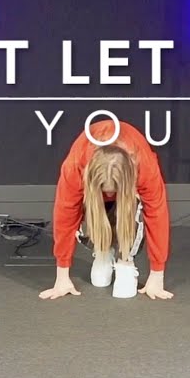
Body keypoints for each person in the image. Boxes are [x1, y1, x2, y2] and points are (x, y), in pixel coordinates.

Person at [39, 119, 173, 301]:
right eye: (105, 189)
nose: (109, 194)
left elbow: (157, 214)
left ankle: (125, 260)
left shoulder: (144, 165)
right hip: (92, 193)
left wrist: (157, 275)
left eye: (113, 190)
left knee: (124, 291)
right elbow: (65, 216)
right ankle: (103, 250)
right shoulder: (75, 167)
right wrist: (62, 276)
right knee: (99, 279)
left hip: (129, 195)